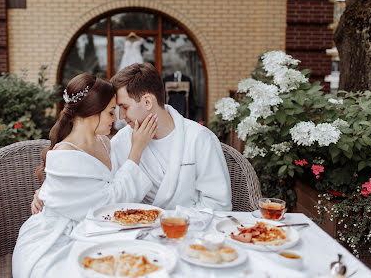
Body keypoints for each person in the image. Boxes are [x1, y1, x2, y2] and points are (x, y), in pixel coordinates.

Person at [32, 63, 232, 213]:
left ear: (147, 102)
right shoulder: (122, 141)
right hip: (136, 235)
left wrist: (173, 222)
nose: (119, 117)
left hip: (189, 235)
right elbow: (91, 182)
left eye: (124, 107)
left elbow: (219, 205)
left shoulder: (199, 139)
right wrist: (47, 192)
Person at [12, 73, 157, 277]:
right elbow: (106, 202)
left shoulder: (105, 142)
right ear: (91, 112)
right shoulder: (65, 153)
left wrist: (47, 191)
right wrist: (136, 151)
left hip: (98, 226)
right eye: (110, 113)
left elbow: (102, 187)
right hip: (59, 237)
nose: (116, 120)